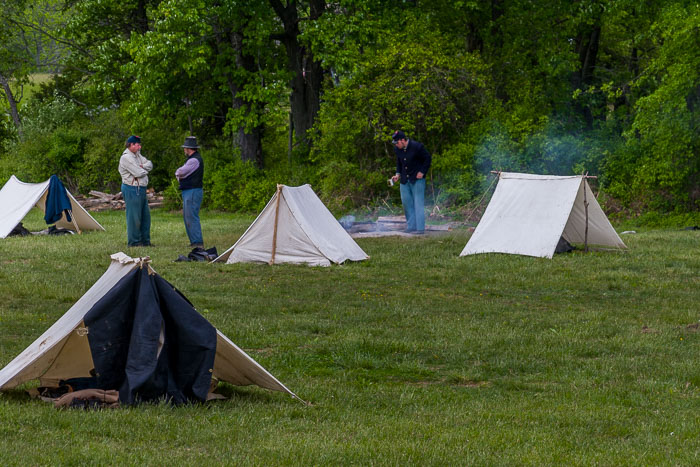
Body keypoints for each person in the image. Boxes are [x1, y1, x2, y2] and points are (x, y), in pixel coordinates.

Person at [390, 130, 432, 234]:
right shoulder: (397, 149)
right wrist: (397, 174)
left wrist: (422, 171)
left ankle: (420, 229)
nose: (396, 145)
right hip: (404, 180)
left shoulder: (417, 147)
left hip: (417, 179)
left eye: (397, 142)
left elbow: (427, 159)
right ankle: (411, 226)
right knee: (406, 202)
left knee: (418, 203)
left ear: (403, 140)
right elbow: (399, 162)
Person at [119, 135, 153, 246]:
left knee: (145, 217)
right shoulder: (126, 157)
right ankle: (134, 242)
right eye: (137, 144)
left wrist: (141, 166)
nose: (140, 146)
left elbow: (150, 164)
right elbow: (138, 173)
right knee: (134, 217)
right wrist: (143, 168)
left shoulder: (137, 155)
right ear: (131, 145)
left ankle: (145, 241)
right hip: (132, 188)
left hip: (141, 188)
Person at [175, 136, 204, 247]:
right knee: (188, 216)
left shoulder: (193, 160)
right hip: (191, 191)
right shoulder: (193, 159)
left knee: (191, 216)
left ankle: (197, 242)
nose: (184, 150)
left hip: (192, 191)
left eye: (185, 148)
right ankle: (194, 241)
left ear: (188, 149)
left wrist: (178, 174)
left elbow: (180, 172)